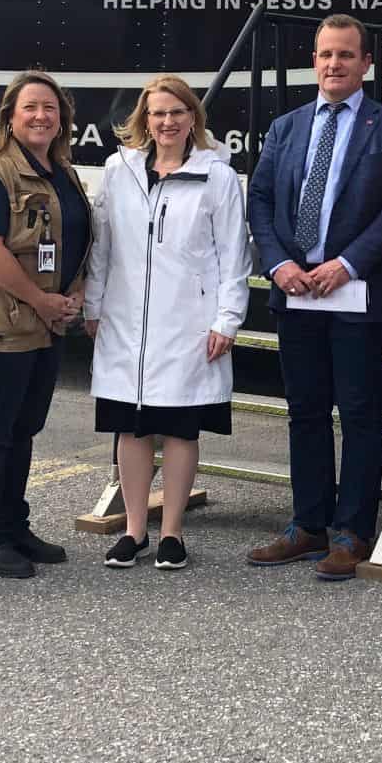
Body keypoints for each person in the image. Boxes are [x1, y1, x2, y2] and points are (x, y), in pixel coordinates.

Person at [246, 14, 382, 579]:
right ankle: (308, 523)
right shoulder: (288, 127)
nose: (333, 65)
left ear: (366, 63)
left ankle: (351, 529)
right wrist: (279, 263)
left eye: (345, 55)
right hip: (295, 291)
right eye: (324, 55)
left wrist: (346, 264)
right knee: (306, 411)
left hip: (355, 292)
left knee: (361, 412)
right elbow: (262, 201)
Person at [84, 75, 251, 572]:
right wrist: (94, 306)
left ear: (193, 118)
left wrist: (228, 318)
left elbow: (233, 255)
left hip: (188, 324)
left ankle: (172, 532)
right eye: (158, 113)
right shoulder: (119, 171)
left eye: (177, 112)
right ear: (144, 119)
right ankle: (135, 530)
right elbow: (102, 247)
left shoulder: (216, 176)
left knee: (180, 428)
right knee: (131, 429)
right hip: (125, 321)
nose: (167, 122)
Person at [0, 70, 93, 579]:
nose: (41, 116)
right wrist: (42, 300)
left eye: (50, 109)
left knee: (24, 427)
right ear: (9, 118)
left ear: (62, 120)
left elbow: (75, 237)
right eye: (30, 107)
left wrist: (73, 293)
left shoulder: (62, 171)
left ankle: (15, 524)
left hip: (47, 322)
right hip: (6, 322)